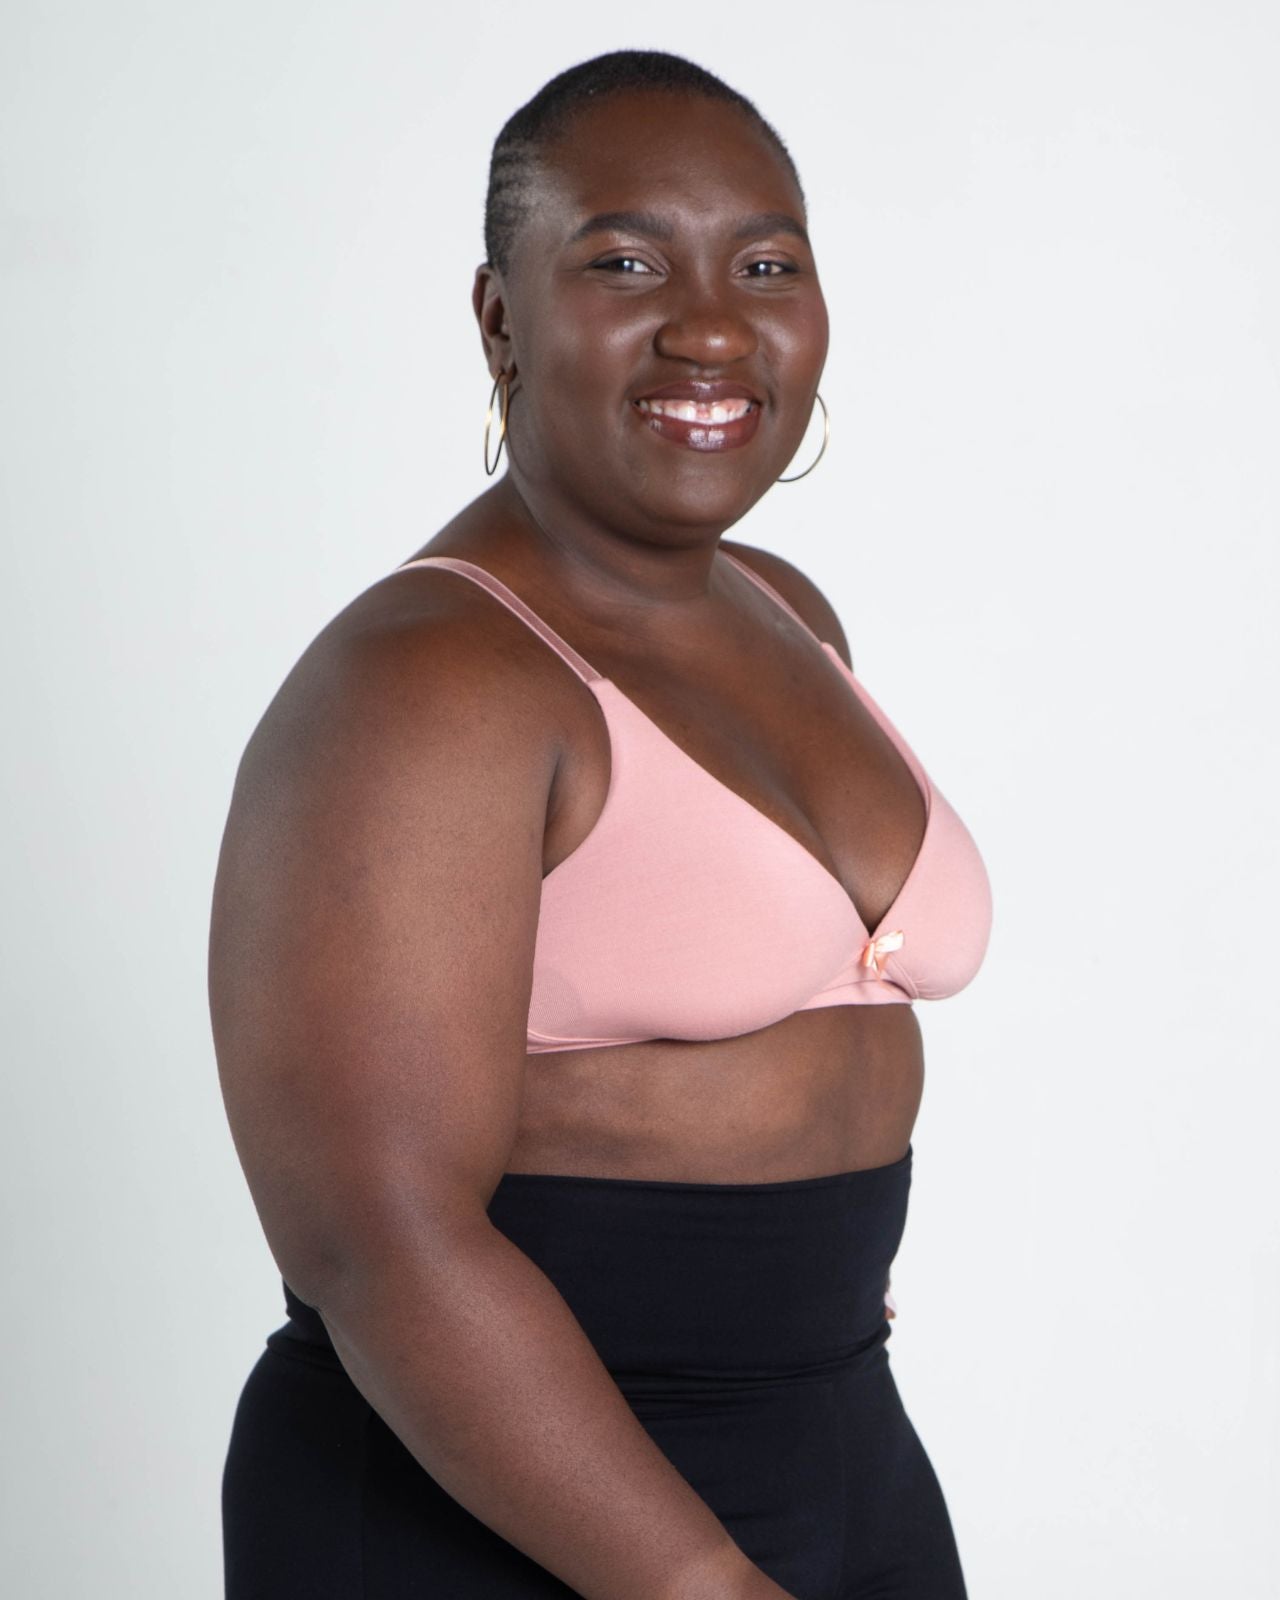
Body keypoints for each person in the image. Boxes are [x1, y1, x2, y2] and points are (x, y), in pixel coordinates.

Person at [211, 48, 992, 1600]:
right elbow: (377, 1242)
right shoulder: (430, 681)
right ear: (501, 317)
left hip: (833, 1438)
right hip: (504, 1497)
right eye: (626, 262)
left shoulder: (790, 613)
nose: (711, 325)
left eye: (765, 264)